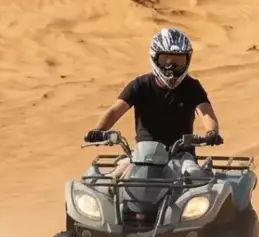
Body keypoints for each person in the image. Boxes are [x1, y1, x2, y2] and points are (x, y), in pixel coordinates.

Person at [86, 26, 221, 150]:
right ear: (155, 58)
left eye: (178, 62)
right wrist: (99, 130)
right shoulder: (140, 85)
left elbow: (206, 113)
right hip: (144, 157)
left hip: (182, 155)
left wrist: (212, 132)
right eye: (165, 60)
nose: (171, 68)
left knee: (193, 173)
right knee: (117, 173)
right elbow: (115, 111)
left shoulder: (191, 86)